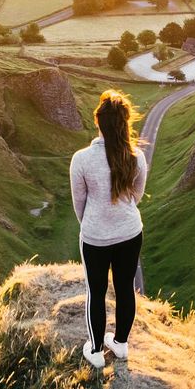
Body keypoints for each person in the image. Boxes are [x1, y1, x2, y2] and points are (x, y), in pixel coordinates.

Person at [70, 88, 148, 368]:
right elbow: (137, 195)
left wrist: (93, 224)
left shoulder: (81, 159)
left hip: (95, 237)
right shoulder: (136, 156)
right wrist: (119, 215)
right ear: (125, 123)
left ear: (98, 123)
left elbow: (79, 203)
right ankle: (121, 344)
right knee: (125, 287)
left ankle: (95, 350)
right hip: (130, 232)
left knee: (97, 291)